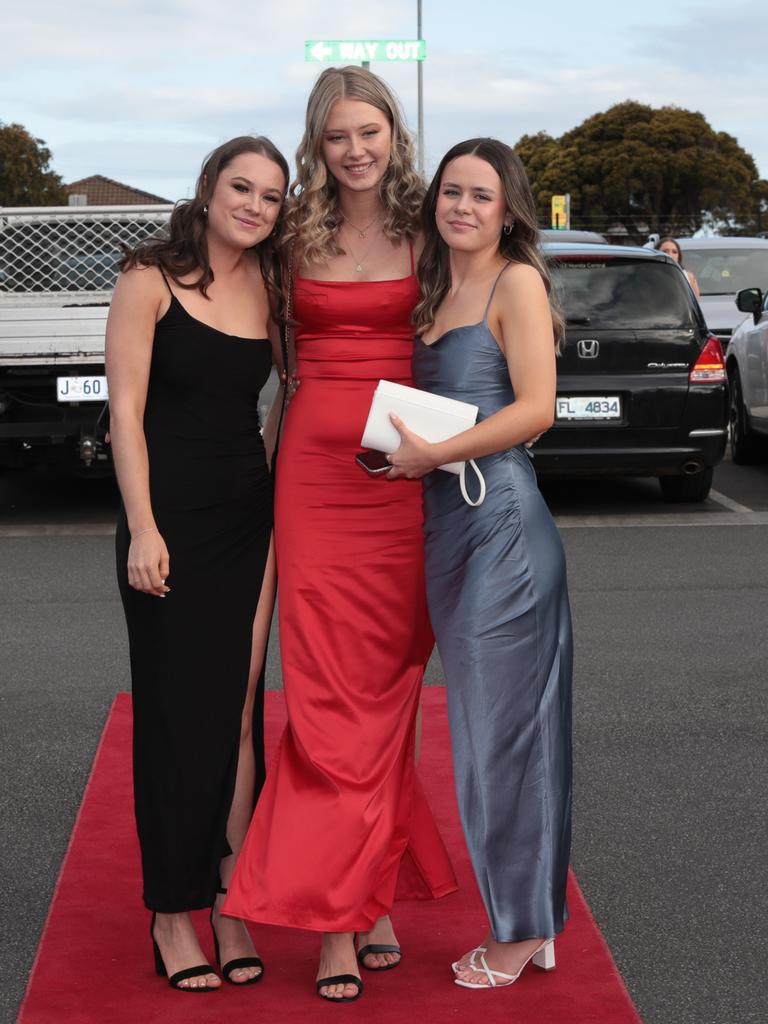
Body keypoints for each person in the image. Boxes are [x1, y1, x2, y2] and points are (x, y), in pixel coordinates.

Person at [224, 67, 457, 1003]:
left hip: (403, 484)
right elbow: (271, 358)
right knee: (323, 699)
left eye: (369, 132)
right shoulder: (293, 235)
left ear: (394, 134)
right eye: (335, 137)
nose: (354, 150)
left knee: (387, 693)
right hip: (314, 488)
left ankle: (367, 885)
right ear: (316, 144)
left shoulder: (430, 227)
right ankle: (337, 921)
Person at [387, 138, 573, 990]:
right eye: (451, 192)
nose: (462, 207)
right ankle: (530, 918)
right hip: (448, 527)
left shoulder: (515, 281)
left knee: (505, 739)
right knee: (487, 733)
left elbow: (537, 409)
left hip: (500, 524)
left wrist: (439, 455)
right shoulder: (439, 281)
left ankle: (519, 930)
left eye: (481, 195)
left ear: (509, 208)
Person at [106, 136, 288, 992]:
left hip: (249, 518)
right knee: (180, 716)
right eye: (240, 187)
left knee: (242, 710)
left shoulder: (273, 287)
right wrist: (143, 527)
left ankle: (232, 897)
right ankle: (170, 914)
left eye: (271, 196)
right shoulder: (149, 276)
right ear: (209, 190)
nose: (254, 205)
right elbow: (126, 413)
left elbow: (293, 395)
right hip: (167, 521)